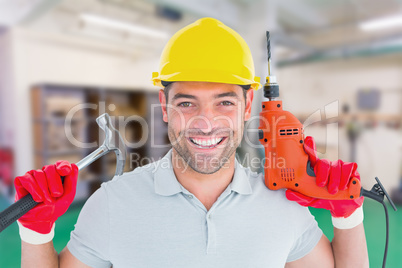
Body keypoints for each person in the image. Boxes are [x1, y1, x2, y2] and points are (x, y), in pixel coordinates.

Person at [15, 17, 368, 267]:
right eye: (187, 103)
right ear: (164, 106)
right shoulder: (112, 204)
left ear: (247, 107)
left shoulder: (284, 206)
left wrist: (348, 215)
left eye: (224, 101)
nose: (205, 121)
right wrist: (36, 232)